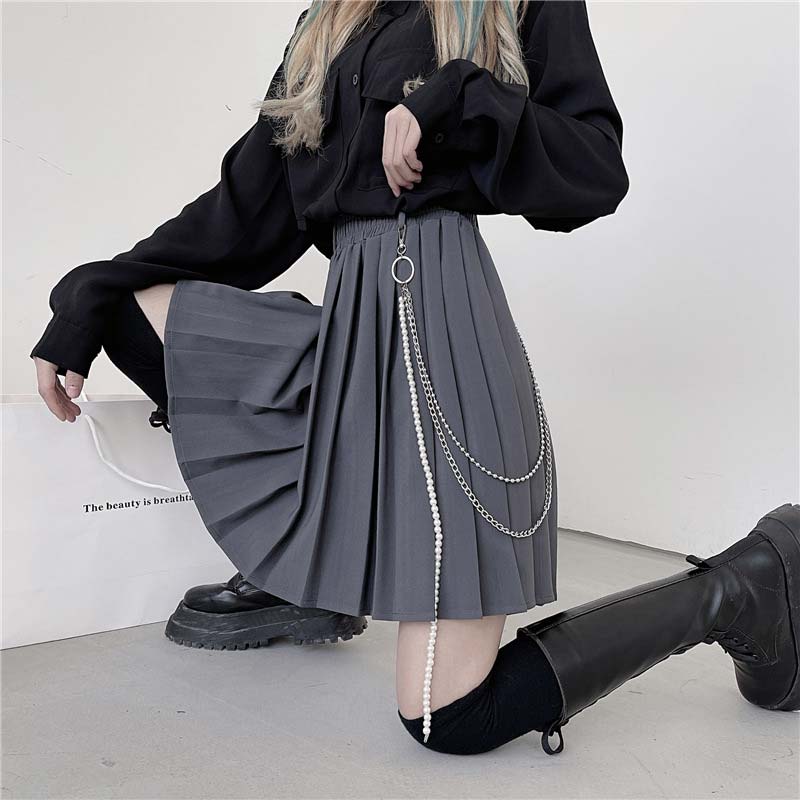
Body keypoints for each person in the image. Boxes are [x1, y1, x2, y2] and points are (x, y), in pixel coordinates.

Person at [30, 0, 799, 755]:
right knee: (123, 309)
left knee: (445, 717)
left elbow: (594, 173)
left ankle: (736, 589)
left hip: (447, 354)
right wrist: (87, 294)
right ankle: (305, 574)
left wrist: (464, 96)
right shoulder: (331, 19)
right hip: (352, 347)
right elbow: (248, 205)